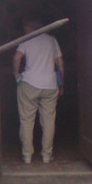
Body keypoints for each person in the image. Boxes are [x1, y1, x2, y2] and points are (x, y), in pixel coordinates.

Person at [13, 19, 64, 164]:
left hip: (29, 83)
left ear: (30, 28)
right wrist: (61, 84)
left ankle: (27, 155)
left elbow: (17, 57)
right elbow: (60, 63)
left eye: (25, 28)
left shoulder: (26, 40)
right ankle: (47, 155)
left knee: (27, 120)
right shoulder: (51, 40)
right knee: (48, 120)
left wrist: (17, 74)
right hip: (50, 84)